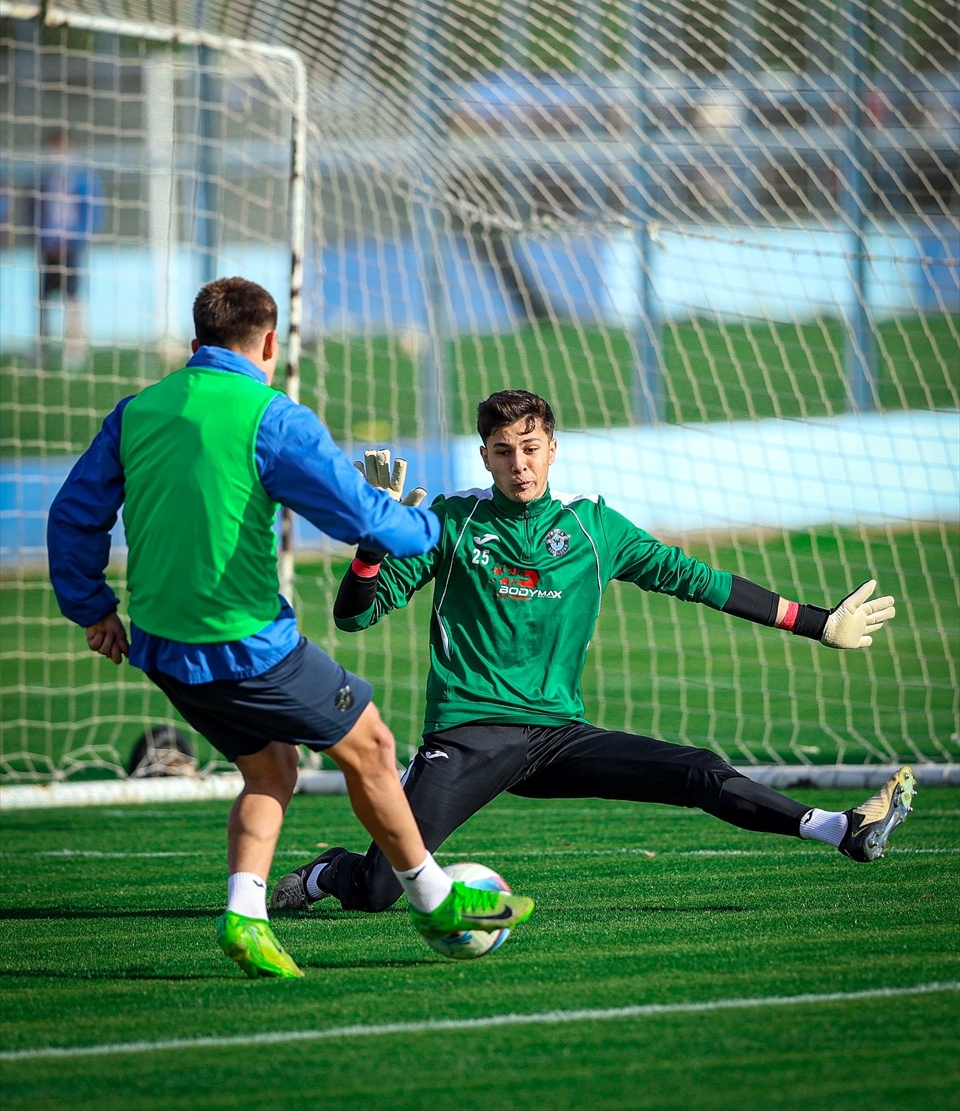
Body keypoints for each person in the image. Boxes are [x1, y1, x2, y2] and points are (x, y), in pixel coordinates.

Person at [46, 280, 534, 980]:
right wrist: (431, 526)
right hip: (245, 644)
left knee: (269, 769)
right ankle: (437, 902)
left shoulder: (136, 412)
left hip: (159, 646)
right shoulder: (273, 418)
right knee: (372, 745)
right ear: (270, 343)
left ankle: (245, 916)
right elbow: (360, 518)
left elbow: (72, 516)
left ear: (195, 345)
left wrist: (91, 606)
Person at [271, 388, 914, 918]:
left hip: (556, 738)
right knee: (382, 890)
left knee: (695, 769)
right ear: (484, 458)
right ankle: (333, 871)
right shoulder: (450, 522)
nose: (519, 465)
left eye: (530, 448)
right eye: (503, 452)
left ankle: (841, 829)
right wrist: (373, 542)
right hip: (469, 738)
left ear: (552, 449)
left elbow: (699, 581)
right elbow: (353, 618)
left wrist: (817, 623)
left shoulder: (594, 527)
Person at [34, 128, 104, 369]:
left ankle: (75, 350)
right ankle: (41, 350)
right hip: (48, 246)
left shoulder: (83, 178)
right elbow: (32, 210)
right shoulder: (43, 179)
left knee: (72, 299)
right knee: (43, 299)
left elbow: (92, 211)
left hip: (71, 247)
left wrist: (77, 239)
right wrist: (42, 239)